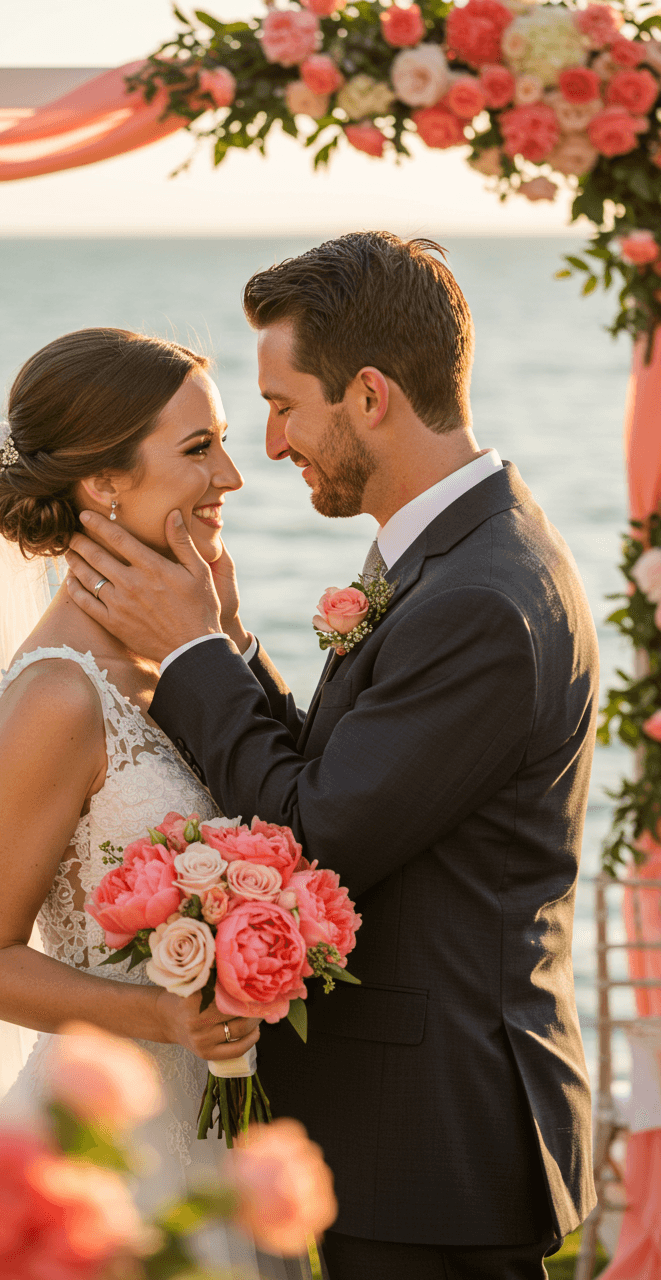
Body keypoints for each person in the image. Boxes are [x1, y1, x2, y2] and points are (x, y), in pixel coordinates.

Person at [62, 233, 600, 1280]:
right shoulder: (450, 552)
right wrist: (231, 642)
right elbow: (347, 770)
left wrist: (187, 653)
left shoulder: (480, 600)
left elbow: (311, 832)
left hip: (433, 1138)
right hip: (410, 1131)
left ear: (366, 394)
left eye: (280, 403)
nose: (266, 446)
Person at [0, 329, 309, 1279]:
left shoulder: (180, 657)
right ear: (103, 486)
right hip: (119, 1147)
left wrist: (230, 637)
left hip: (224, 1131)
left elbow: (296, 807)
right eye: (200, 448)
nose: (233, 479)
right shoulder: (58, 695)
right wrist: (170, 1019)